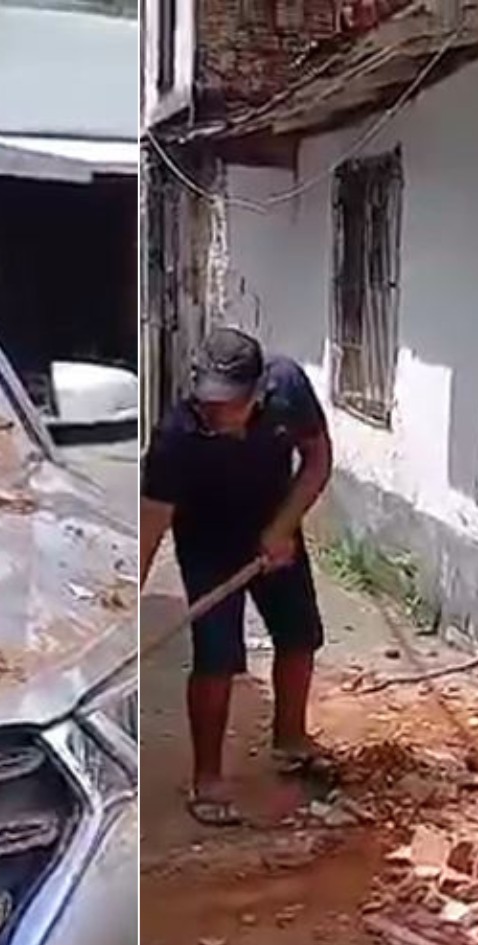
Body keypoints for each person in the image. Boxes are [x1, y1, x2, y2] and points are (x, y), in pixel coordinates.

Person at [140, 327, 335, 827]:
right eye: (208, 402)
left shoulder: (288, 388)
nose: (216, 413)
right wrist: (124, 610)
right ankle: (207, 777)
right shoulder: (175, 437)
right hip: (206, 543)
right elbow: (151, 526)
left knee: (300, 635)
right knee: (216, 658)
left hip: (274, 529)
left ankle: (289, 740)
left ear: (258, 393)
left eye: (228, 405)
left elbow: (317, 458)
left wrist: (282, 527)